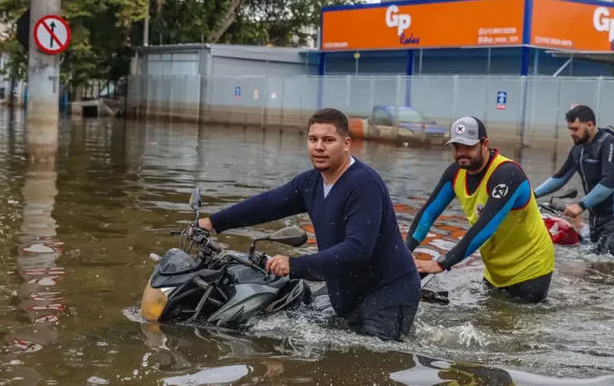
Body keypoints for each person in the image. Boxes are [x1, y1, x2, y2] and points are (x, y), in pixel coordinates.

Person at [197, 108, 421, 342]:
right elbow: (266, 204)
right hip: (348, 291)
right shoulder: (310, 182)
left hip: (388, 292)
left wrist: (294, 265)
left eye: (328, 140)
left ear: (346, 144)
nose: (319, 147)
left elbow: (358, 249)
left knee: (366, 367)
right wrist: (213, 222)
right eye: (313, 139)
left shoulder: (364, 185)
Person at [407, 116, 555, 303]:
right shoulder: (455, 173)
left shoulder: (507, 174)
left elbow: (485, 227)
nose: (461, 153)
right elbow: (429, 213)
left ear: (484, 144)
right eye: (456, 147)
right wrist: (404, 252)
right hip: (496, 268)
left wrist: (441, 263)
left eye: (468, 147)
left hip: (531, 267)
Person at [533, 105, 614, 256]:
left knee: (606, 263)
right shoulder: (578, 149)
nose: (571, 133)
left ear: (590, 124)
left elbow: (609, 183)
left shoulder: (610, 143)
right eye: (569, 129)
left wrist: (581, 205)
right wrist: (530, 195)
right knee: (592, 264)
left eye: (575, 129)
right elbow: (559, 178)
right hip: (596, 218)